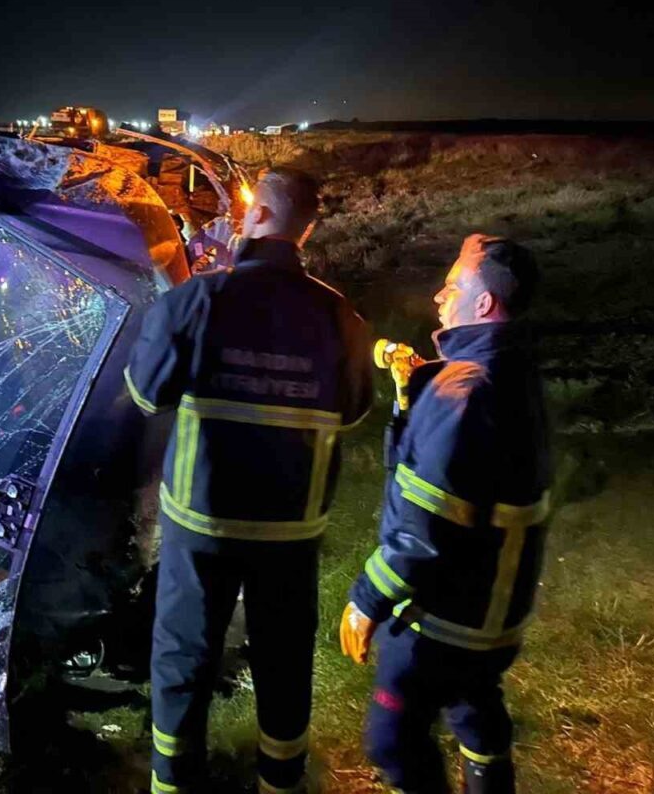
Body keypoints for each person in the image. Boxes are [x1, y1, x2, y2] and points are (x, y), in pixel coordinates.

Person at [125, 166, 374, 794]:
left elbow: (145, 392)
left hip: (202, 519)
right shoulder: (339, 315)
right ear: (305, 230)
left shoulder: (197, 300)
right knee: (284, 658)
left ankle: (174, 782)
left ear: (258, 215)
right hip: (291, 525)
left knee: (184, 655)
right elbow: (354, 410)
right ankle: (280, 782)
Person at [341, 234, 550, 794]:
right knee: (473, 704)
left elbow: (425, 529)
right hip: (495, 611)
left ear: (484, 305)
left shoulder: (464, 390)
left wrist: (366, 601)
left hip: (449, 617)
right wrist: (418, 393)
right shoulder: (507, 367)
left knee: (391, 740)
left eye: (453, 286)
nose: (439, 296)